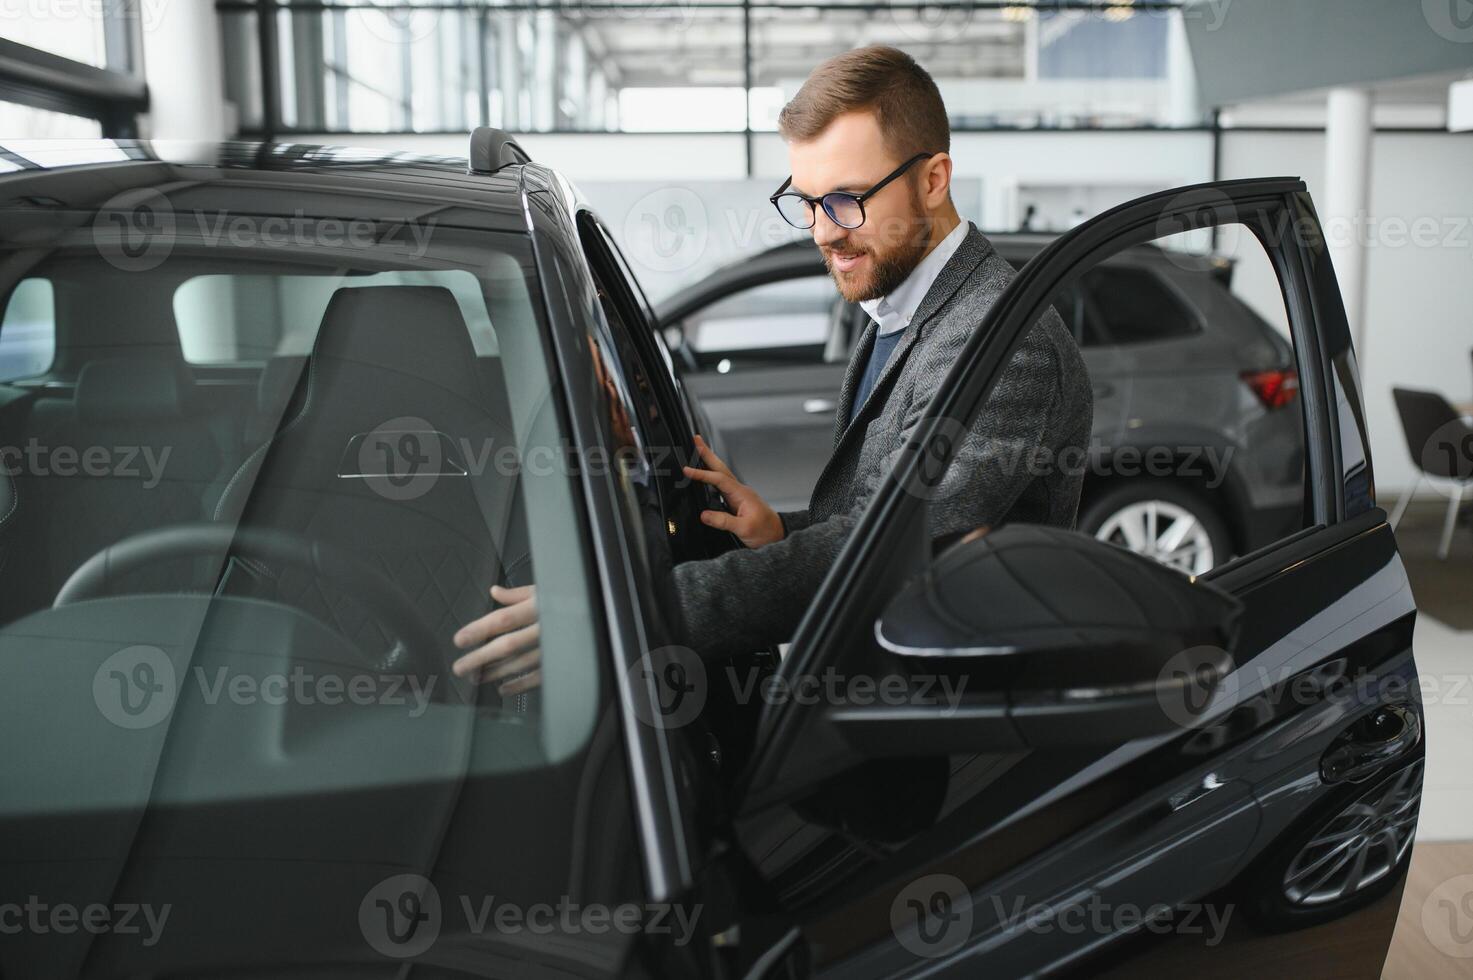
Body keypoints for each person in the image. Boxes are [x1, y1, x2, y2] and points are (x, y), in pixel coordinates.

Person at [452, 45, 1093, 689]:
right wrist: (781, 531)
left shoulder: (1000, 341)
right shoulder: (900, 311)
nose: (821, 232)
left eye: (846, 199)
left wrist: (626, 613)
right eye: (807, 201)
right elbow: (875, 517)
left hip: (949, 740)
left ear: (933, 179)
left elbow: (895, 548)